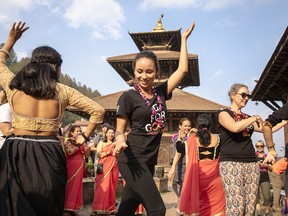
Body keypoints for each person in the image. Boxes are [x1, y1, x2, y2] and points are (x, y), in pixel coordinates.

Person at [0, 22, 105, 216]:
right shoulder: (63, 91)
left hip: (15, 150)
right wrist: (83, 137)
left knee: (13, 205)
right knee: (48, 202)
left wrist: (10, 41)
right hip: (49, 150)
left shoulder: (13, 84)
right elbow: (97, 110)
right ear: (56, 67)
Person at [112, 21, 195, 216]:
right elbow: (119, 129)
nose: (144, 76)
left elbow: (182, 71)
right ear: (134, 72)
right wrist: (120, 139)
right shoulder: (128, 97)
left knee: (126, 209)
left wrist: (183, 40)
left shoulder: (160, 93)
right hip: (132, 159)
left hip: (148, 161)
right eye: (139, 71)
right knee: (157, 209)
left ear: (156, 72)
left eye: (149, 71)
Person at [217, 83, 286, 215]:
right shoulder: (223, 113)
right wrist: (254, 118)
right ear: (232, 95)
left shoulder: (247, 118)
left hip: (251, 164)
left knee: (250, 208)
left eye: (248, 96)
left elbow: (270, 127)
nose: (246, 98)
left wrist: (285, 119)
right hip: (230, 163)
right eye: (243, 95)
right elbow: (235, 127)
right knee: (236, 206)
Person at [177, 114, 225, 216]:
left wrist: (180, 138)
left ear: (198, 125)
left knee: (200, 205)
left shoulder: (193, 139)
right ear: (211, 125)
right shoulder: (218, 138)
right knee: (216, 206)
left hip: (198, 178)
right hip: (215, 178)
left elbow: (179, 148)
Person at [91, 126, 119, 215]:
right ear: (106, 134)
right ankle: (96, 208)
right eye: (109, 132)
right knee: (103, 187)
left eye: (112, 133)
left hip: (114, 166)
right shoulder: (101, 143)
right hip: (104, 167)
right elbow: (99, 154)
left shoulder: (116, 143)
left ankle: (111, 209)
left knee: (112, 187)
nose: (111, 134)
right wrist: (108, 152)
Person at [63, 126, 89, 216]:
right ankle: (66, 208)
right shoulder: (68, 141)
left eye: (80, 131)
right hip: (71, 166)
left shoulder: (82, 142)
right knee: (70, 185)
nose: (79, 133)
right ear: (72, 133)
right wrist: (78, 145)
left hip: (80, 166)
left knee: (77, 187)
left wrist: (88, 148)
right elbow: (69, 152)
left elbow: (87, 155)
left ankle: (73, 208)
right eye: (77, 131)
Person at [168, 118, 191, 197]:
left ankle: (182, 207)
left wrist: (172, 168)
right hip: (179, 168)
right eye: (185, 126)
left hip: (185, 167)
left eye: (189, 126)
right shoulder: (176, 138)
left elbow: (178, 153)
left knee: (182, 193)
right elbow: (175, 154)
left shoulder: (190, 138)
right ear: (180, 126)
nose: (187, 128)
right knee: (177, 188)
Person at [255, 140, 271, 216]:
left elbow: (272, 168)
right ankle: (258, 213)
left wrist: (267, 166)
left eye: (261, 146)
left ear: (263, 146)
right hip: (255, 177)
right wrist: (256, 165)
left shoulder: (267, 157)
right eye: (257, 146)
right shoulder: (253, 157)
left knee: (267, 196)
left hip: (265, 177)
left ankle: (267, 212)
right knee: (256, 197)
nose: (259, 147)